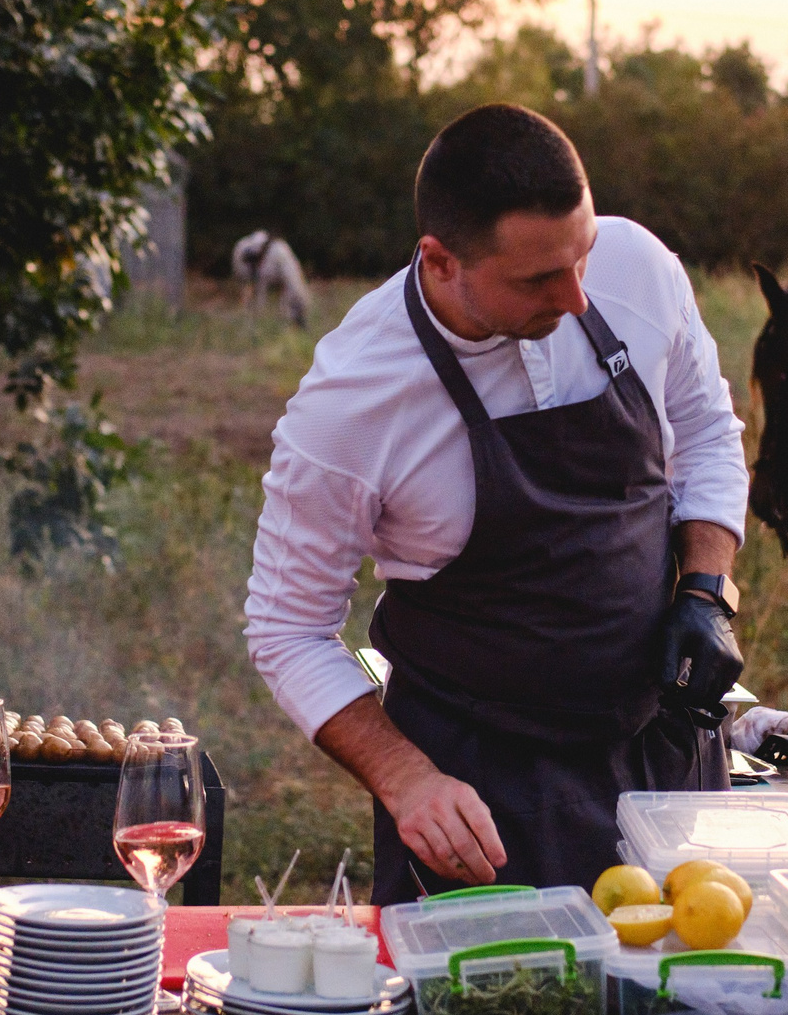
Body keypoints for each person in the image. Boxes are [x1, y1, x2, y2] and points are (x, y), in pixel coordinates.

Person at [243, 103, 748, 903]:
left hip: (667, 763)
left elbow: (708, 432)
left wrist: (706, 588)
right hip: (483, 799)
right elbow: (286, 628)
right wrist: (408, 780)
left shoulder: (638, 268)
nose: (580, 296)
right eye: (540, 278)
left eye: (581, 254)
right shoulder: (352, 401)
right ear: (441, 261)